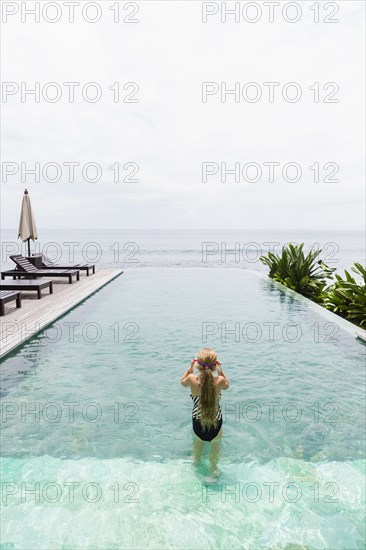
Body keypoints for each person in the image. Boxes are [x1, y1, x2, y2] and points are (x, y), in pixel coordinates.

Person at [181, 347, 230, 478]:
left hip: (198, 423)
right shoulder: (219, 381)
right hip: (216, 424)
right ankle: (213, 474)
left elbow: (182, 383)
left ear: (198, 365)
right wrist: (220, 371)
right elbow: (227, 385)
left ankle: (195, 468)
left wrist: (190, 368)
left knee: (197, 448)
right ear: (215, 365)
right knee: (215, 450)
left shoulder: (192, 379)